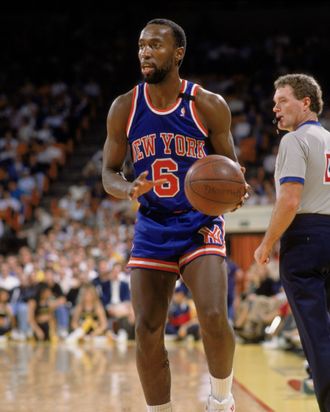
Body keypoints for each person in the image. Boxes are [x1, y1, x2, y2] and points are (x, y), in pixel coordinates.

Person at [102, 18, 247, 412]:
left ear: (178, 53)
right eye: (141, 45)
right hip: (153, 225)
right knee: (147, 329)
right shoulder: (125, 107)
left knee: (214, 314)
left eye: (155, 45)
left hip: (199, 222)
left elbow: (230, 170)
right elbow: (109, 172)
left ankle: (221, 401)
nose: (145, 52)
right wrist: (127, 188)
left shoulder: (206, 104)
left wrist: (236, 192)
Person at [254, 73, 330, 412]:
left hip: (306, 237)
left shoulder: (294, 141)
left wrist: (266, 242)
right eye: (274, 102)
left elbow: (289, 200)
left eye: (282, 100)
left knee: (317, 336)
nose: (276, 108)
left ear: (306, 102)